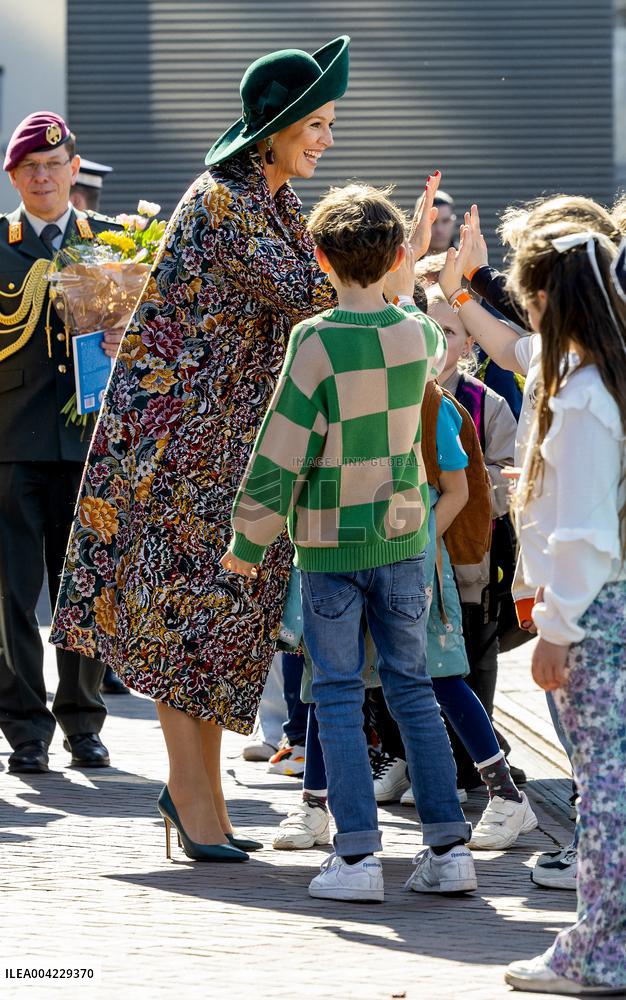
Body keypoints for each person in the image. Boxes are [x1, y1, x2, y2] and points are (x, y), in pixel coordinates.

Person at [50, 39, 355, 863]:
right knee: (186, 622)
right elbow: (313, 295)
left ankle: (203, 801)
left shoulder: (274, 201)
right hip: (178, 455)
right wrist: (393, 267)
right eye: (316, 125)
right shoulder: (225, 202)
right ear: (275, 128)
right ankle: (191, 800)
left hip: (228, 452)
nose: (327, 139)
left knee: (220, 628)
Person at [223, 182, 477, 902]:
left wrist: (249, 538)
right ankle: (449, 847)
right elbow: (420, 323)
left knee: (335, 694)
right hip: (403, 532)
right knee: (412, 688)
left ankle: (358, 855)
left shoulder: (314, 340)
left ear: (318, 257)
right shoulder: (417, 334)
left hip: (330, 541)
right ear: (398, 257)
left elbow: (283, 447)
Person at [502, 228, 626, 993]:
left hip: (594, 616)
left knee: (604, 791)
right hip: (611, 604)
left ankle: (599, 949)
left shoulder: (583, 397)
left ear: (547, 299)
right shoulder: (609, 380)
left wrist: (555, 630)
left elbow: (584, 534)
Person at [0, 112, 125, 773]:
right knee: (14, 596)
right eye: (30, 168)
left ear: (74, 170)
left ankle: (83, 722)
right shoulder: (1, 242)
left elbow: (163, 337)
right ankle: (25, 730)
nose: (43, 177)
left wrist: (129, 336)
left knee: (85, 588)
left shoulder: (115, 242)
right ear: (13, 177)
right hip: (12, 441)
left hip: (90, 445)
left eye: (54, 165)